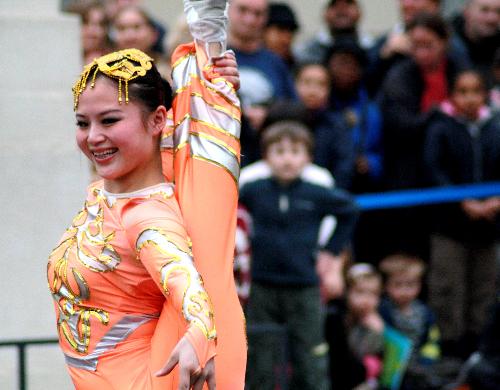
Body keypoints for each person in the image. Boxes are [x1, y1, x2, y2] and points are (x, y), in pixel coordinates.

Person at [47, 1, 247, 388]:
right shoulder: (112, 193)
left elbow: (188, 283)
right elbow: (182, 141)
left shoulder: (146, 216)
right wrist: (211, 67)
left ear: (157, 120)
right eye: (83, 123)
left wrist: (198, 332)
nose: (93, 137)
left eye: (109, 121)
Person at [240, 121, 358, 390]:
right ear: (266, 156)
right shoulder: (253, 189)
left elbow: (350, 211)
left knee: (310, 352)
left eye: (295, 151)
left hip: (304, 285)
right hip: (262, 284)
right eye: (279, 151)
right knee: (260, 352)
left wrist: (331, 251)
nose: (287, 159)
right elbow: (231, 213)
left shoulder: (316, 193)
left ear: (308, 157)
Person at [377, 12, 468, 261]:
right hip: (409, 175)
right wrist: (437, 114)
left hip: (455, 174)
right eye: (415, 46)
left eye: (429, 45)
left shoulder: (460, 69)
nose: (422, 53)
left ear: (444, 42)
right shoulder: (399, 76)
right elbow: (400, 125)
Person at [423, 69, 500, 360]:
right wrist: (462, 201)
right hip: (450, 226)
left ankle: (480, 349)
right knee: (448, 288)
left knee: (485, 288)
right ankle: (450, 350)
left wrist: (494, 201)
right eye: (462, 91)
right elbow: (433, 169)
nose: (469, 99)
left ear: (485, 94)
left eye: (475, 91)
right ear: (452, 95)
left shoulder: (495, 126)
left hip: (489, 225)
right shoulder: (441, 126)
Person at [378, 254, 442, 389]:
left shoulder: (425, 312)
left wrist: (427, 359)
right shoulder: (382, 311)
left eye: (410, 285)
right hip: (391, 367)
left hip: (419, 363)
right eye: (398, 285)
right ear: (386, 286)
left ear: (419, 285)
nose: (404, 291)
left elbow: (432, 340)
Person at [326, 263, 384, 390]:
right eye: (360, 292)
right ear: (347, 292)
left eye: (374, 294)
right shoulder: (337, 318)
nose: (366, 300)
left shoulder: (376, 320)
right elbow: (347, 358)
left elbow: (373, 355)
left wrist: (377, 332)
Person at [295, 0, 374, 66]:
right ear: (325, 14)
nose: (342, 10)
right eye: (334, 5)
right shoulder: (306, 52)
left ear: (359, 12)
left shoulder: (374, 49)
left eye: (348, 3)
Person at [449, 0, 500, 86]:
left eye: (498, 11)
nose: (492, 18)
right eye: (485, 10)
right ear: (466, 12)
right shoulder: (446, 45)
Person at [111, 5, 170, 79]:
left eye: (137, 27)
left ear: (154, 34)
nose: (130, 36)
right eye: (122, 28)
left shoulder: (171, 70)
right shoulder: (105, 72)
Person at [263, 2, 300, 70]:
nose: (285, 40)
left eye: (291, 32)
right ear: (263, 30)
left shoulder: (296, 68)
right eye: (280, 30)